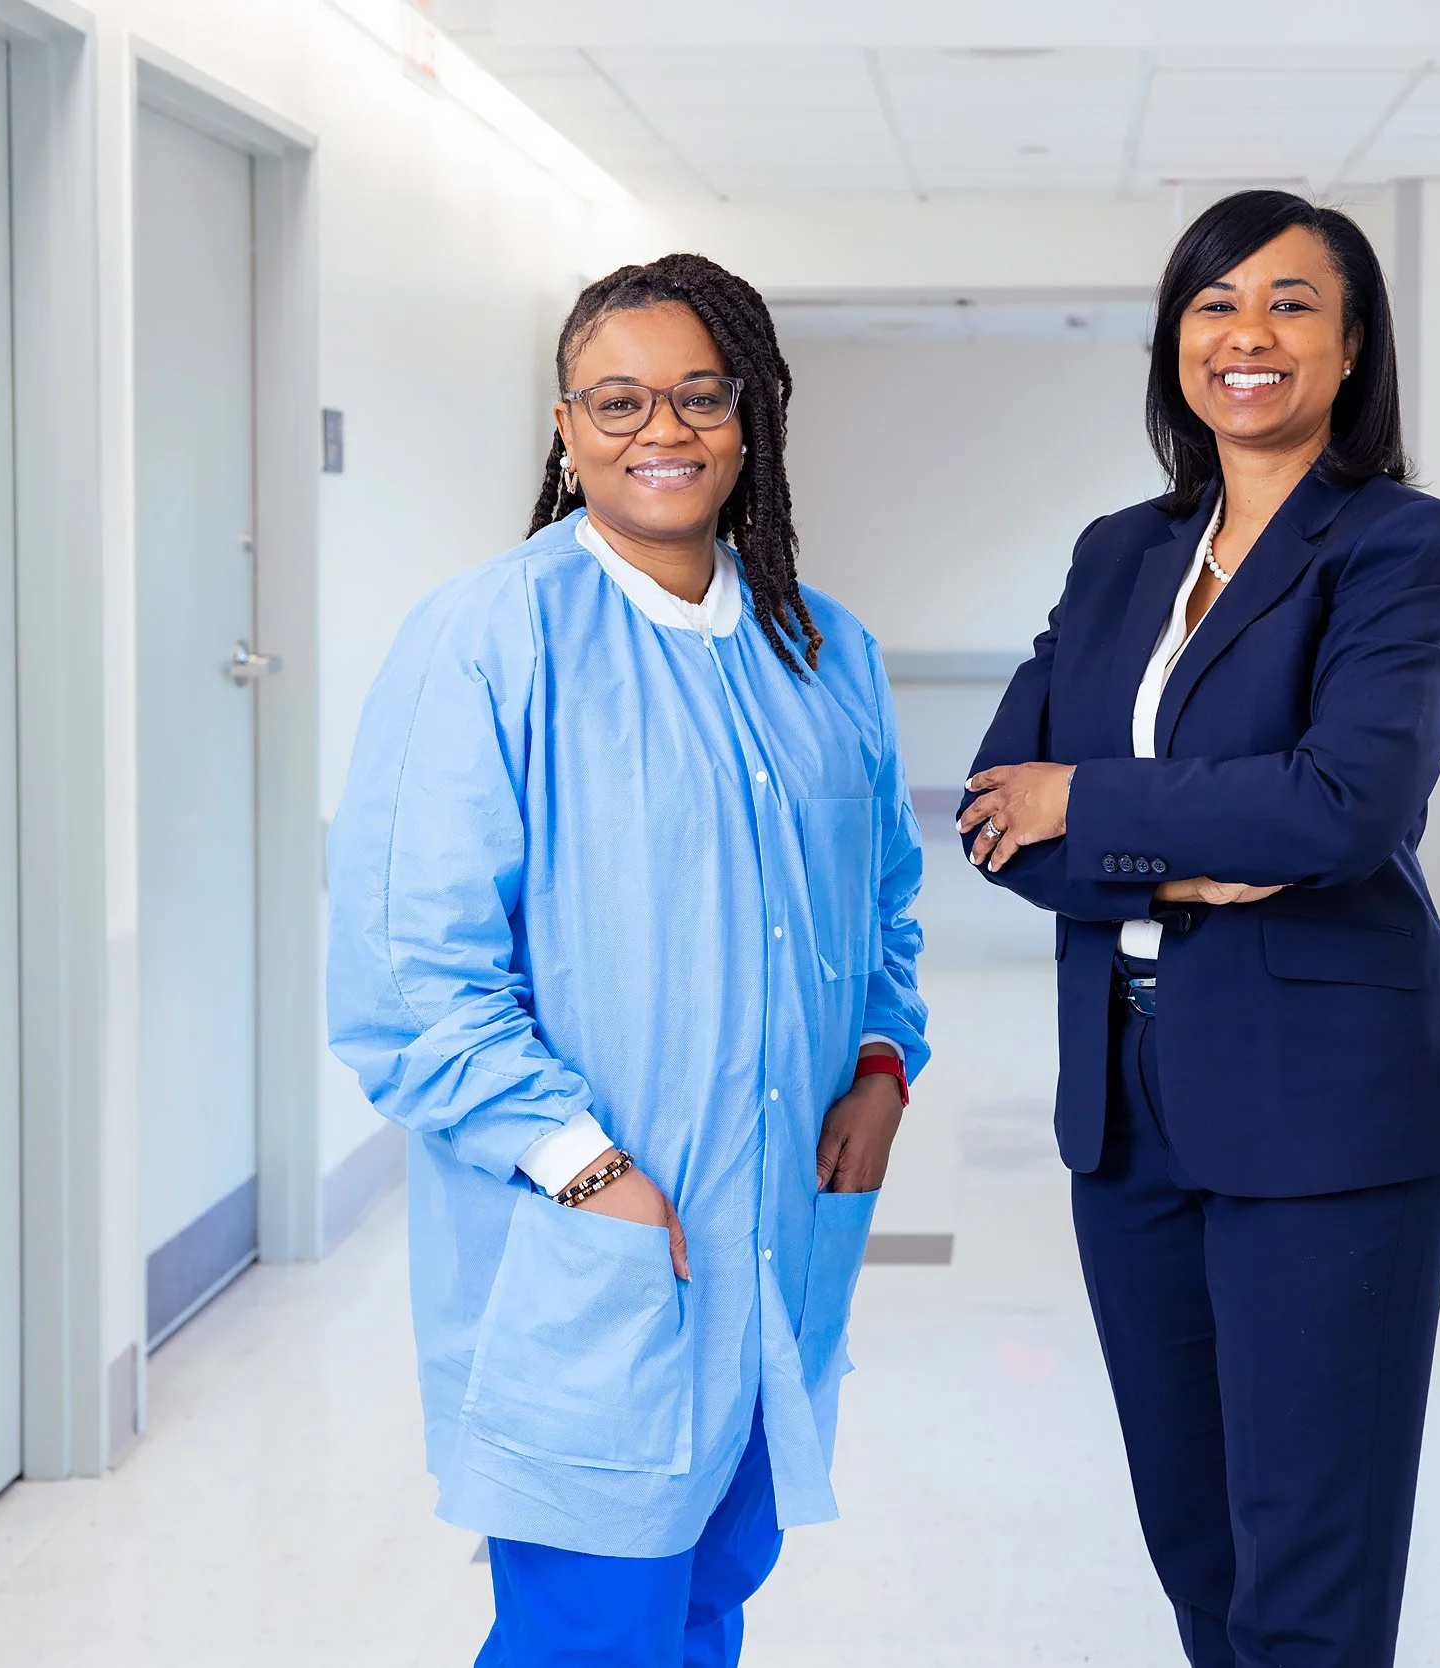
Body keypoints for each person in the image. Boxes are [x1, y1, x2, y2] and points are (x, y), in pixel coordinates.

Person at [327, 253, 926, 1668]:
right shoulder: (490, 639)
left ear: (749, 417)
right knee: (590, 1630)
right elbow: (414, 979)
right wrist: (584, 1169)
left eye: (698, 396)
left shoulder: (825, 652)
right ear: (563, 423)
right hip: (594, 1247)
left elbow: (884, 906)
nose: (660, 430)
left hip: (776, 1238)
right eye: (617, 400)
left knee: (716, 1589)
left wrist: (885, 1063)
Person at [956, 190, 1440, 1667]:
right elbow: (1001, 814)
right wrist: (1180, 862)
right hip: (1126, 1106)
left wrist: (1101, 805)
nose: (1246, 334)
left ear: (1351, 342)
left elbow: (1344, 809)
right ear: (1175, 342)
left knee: (1307, 1553)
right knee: (1194, 1534)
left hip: (1330, 1101)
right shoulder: (1117, 553)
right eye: (1213, 304)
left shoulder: (1394, 544)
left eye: (1290, 303)